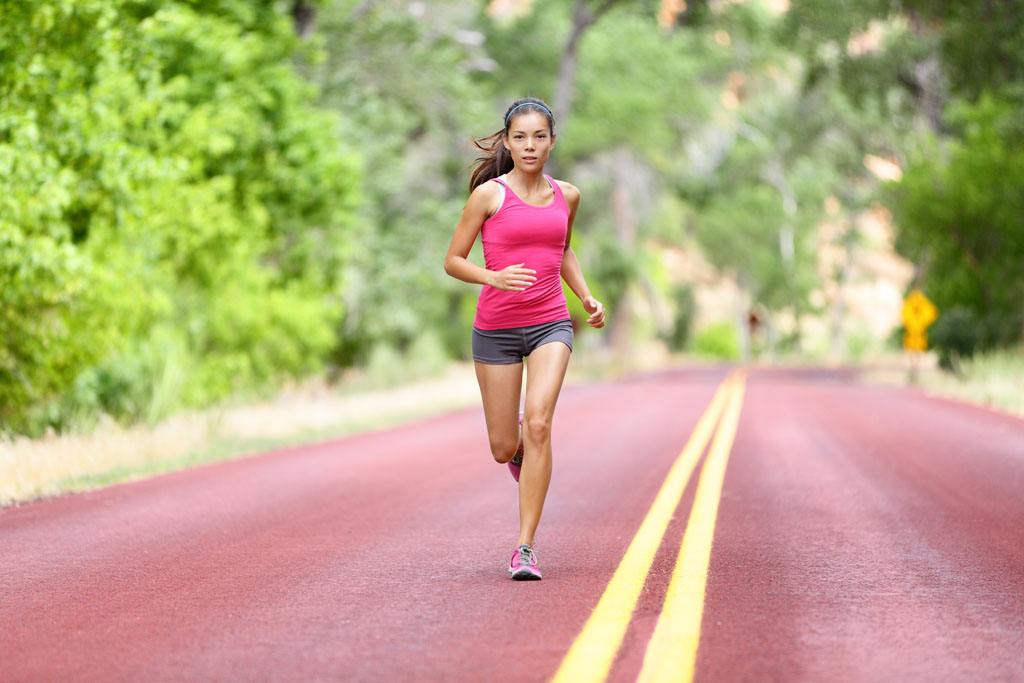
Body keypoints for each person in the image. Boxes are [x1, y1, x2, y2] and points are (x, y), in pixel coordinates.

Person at [443, 97, 606, 581]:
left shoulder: (567, 195)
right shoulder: (489, 196)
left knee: (539, 424)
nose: (530, 145)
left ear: (552, 141)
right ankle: (516, 450)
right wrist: (491, 279)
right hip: (495, 329)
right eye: (520, 137)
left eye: (539, 136)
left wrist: (586, 297)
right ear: (508, 142)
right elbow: (453, 259)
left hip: (550, 322)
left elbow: (563, 250)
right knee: (503, 445)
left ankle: (525, 547)